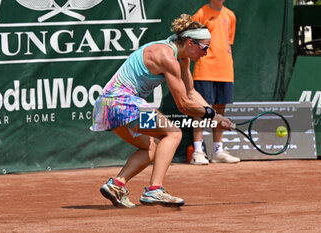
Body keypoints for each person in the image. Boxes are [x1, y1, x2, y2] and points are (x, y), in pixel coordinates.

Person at [90, 14, 234, 208]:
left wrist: (217, 116)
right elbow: (183, 104)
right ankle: (155, 190)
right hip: (122, 103)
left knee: (151, 147)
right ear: (191, 42)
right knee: (173, 133)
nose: (206, 53)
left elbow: (190, 92)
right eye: (204, 47)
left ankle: (117, 184)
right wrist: (211, 115)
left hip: (107, 108)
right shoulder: (168, 58)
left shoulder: (180, 58)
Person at [190, 0, 240, 165]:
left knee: (220, 109)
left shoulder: (230, 15)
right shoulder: (200, 14)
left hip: (225, 69)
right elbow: (192, 42)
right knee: (201, 110)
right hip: (205, 68)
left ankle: (218, 150)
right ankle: (197, 151)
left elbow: (227, 42)